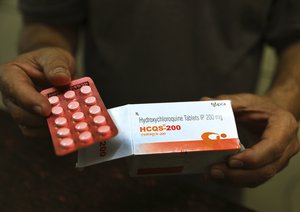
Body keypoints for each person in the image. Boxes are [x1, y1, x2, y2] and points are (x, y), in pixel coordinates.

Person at [0, 0, 300, 207]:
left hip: (218, 165)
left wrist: (280, 102)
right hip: (101, 167)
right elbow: (48, 19)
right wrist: (46, 55)